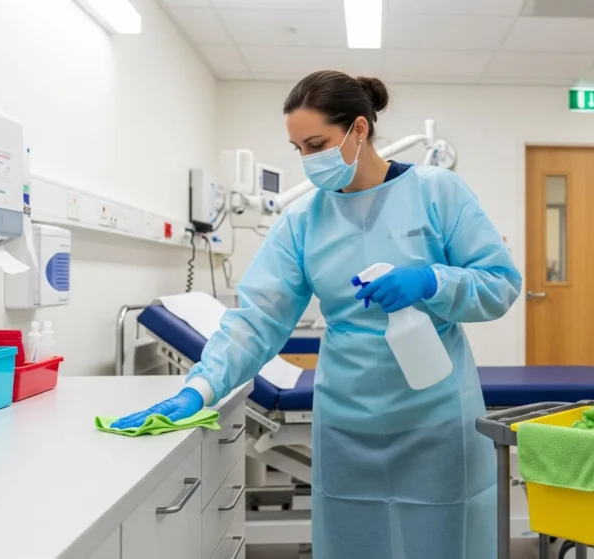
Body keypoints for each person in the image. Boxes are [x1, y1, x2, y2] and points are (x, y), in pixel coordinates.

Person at [111, 70, 522, 558]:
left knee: (443, 536)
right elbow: (258, 318)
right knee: (354, 539)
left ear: (360, 129)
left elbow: (500, 284)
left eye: (317, 143)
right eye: (298, 148)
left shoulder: (437, 192)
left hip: (433, 412)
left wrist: (433, 281)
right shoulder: (303, 221)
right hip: (348, 418)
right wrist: (199, 388)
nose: (308, 160)